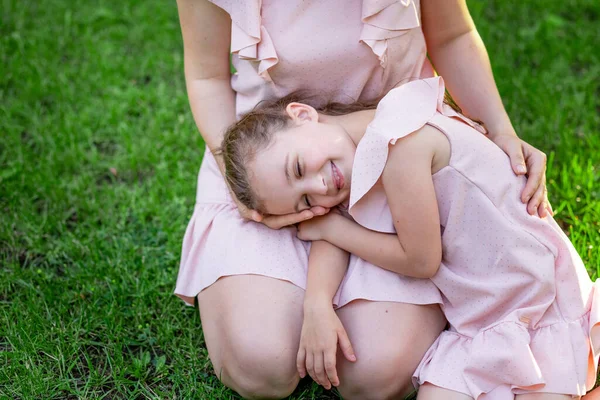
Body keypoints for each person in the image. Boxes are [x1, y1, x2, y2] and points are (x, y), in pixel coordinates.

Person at [175, 0, 552, 398]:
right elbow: (206, 76)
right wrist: (244, 184)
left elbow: (453, 35)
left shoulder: (401, 146)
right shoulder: (303, 186)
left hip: (397, 162)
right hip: (271, 165)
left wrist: (500, 131)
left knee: (372, 375)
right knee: (261, 365)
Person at [219, 76, 600, 400]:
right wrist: (317, 303)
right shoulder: (349, 156)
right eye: (304, 200)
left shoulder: (399, 145)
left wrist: (335, 228)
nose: (318, 187)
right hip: (482, 313)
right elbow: (333, 234)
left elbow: (420, 261)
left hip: (538, 296)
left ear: (303, 115)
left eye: (298, 167)